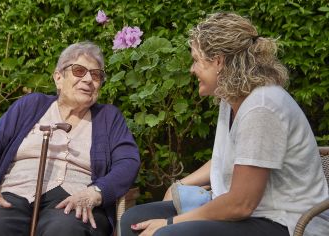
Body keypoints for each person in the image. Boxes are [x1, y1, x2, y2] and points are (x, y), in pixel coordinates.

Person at [120, 12, 328, 236]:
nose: (192, 70)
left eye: (196, 60)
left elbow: (241, 204)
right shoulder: (232, 98)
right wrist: (178, 185)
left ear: (218, 61)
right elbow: (230, 159)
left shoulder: (262, 107)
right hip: (252, 214)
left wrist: (172, 222)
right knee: (134, 218)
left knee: (169, 234)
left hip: (287, 221)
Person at [0, 41, 140, 236]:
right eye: (79, 71)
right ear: (58, 78)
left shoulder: (108, 117)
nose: (89, 79)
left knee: (64, 230)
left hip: (75, 203)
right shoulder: (31, 105)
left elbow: (128, 162)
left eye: (96, 74)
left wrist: (95, 193)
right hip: (14, 195)